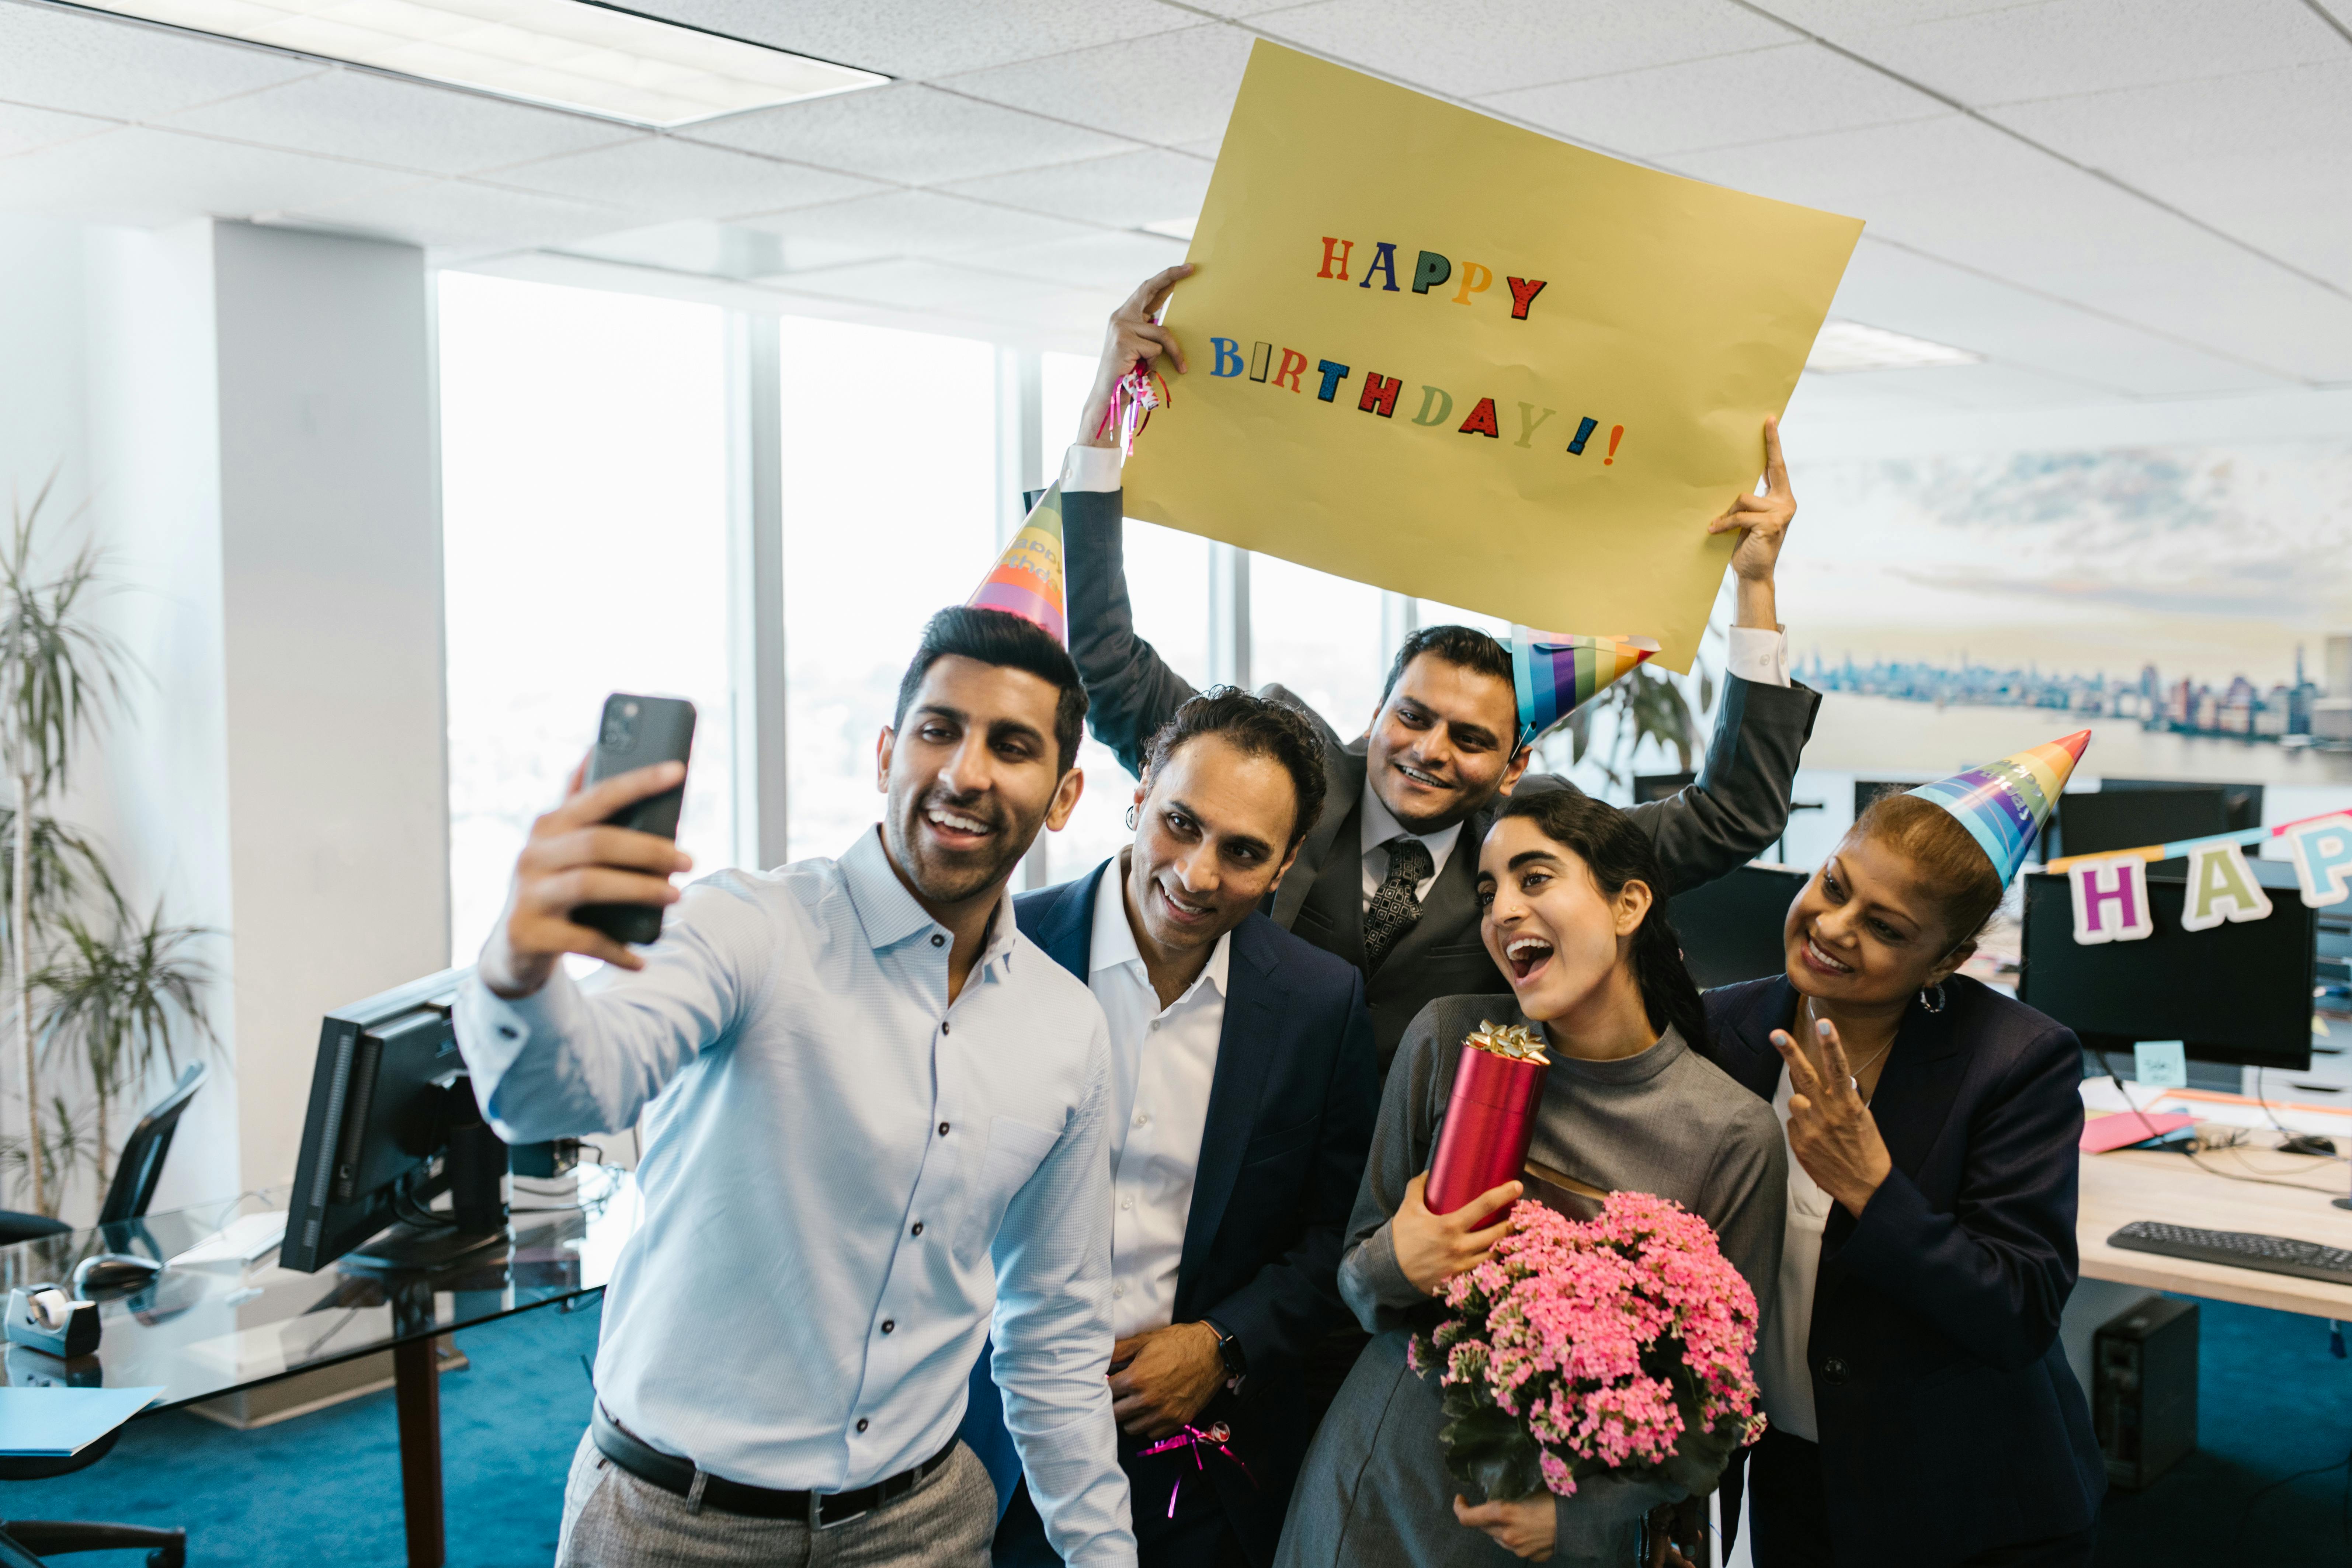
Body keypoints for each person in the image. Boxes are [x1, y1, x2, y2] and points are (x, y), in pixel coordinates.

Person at [454, 606, 1138, 1568]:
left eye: (1011, 744)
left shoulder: (1066, 1029)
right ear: (885, 751)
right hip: (672, 1525)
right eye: (939, 728)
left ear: (1063, 794)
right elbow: (561, 1095)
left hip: (922, 1525)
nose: (965, 770)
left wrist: (1104, 1553)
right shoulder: (748, 927)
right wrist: (519, 965)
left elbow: (1056, 1330)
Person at [1063, 265, 1822, 1075]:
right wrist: (1101, 422)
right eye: (1414, 718)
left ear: (1514, 764)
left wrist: (1753, 586)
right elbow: (1110, 666)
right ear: (1378, 713)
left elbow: (1736, 813)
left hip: (1423, 1177)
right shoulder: (1284, 781)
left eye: (1469, 737)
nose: (1429, 750)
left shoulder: (1543, 852)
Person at [1277, 790, 1787, 1568]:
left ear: (1629, 904)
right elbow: (1356, 1282)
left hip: (1547, 1534)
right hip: (1375, 1493)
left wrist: (1589, 1521)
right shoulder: (1451, 1039)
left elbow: (1719, 1399)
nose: (1502, 911)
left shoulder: (1732, 1134)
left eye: (1534, 878)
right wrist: (1398, 1260)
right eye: (1487, 893)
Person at [965, 687, 1380, 1568]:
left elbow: (1337, 1232)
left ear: (1285, 863)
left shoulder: (1319, 1002)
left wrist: (1223, 1344)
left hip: (1198, 1459)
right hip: (983, 1440)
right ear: (1140, 790)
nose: (1196, 874)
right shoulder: (999, 950)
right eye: (1181, 824)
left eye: (1242, 852)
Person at [1699, 768, 2106, 1565]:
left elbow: (2017, 1311)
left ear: (1945, 960)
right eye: (1833, 884)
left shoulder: (2017, 1061)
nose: (1834, 927)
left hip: (1966, 1502)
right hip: (1794, 1476)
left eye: (1885, 928)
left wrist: (1872, 1190)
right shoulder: (1720, 1026)